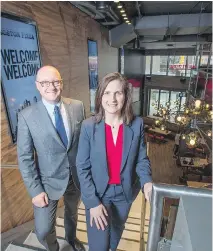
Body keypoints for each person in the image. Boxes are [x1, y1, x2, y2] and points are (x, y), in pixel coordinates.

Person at [76, 72, 152, 251]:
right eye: (107, 93)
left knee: (114, 240)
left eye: (118, 93)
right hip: (98, 195)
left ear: (125, 96)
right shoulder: (89, 126)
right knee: (99, 246)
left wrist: (147, 182)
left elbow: (141, 159)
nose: (112, 98)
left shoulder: (136, 124)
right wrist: (93, 203)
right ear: (100, 96)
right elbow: (82, 167)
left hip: (124, 195)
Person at [17, 66, 85, 251]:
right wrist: (35, 190)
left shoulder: (77, 106)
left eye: (55, 81)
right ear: (38, 86)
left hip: (75, 178)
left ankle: (71, 240)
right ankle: (53, 248)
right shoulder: (26, 116)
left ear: (61, 83)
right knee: (43, 230)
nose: (51, 87)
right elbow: (24, 157)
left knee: (72, 214)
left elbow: (82, 144)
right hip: (46, 183)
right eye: (45, 83)